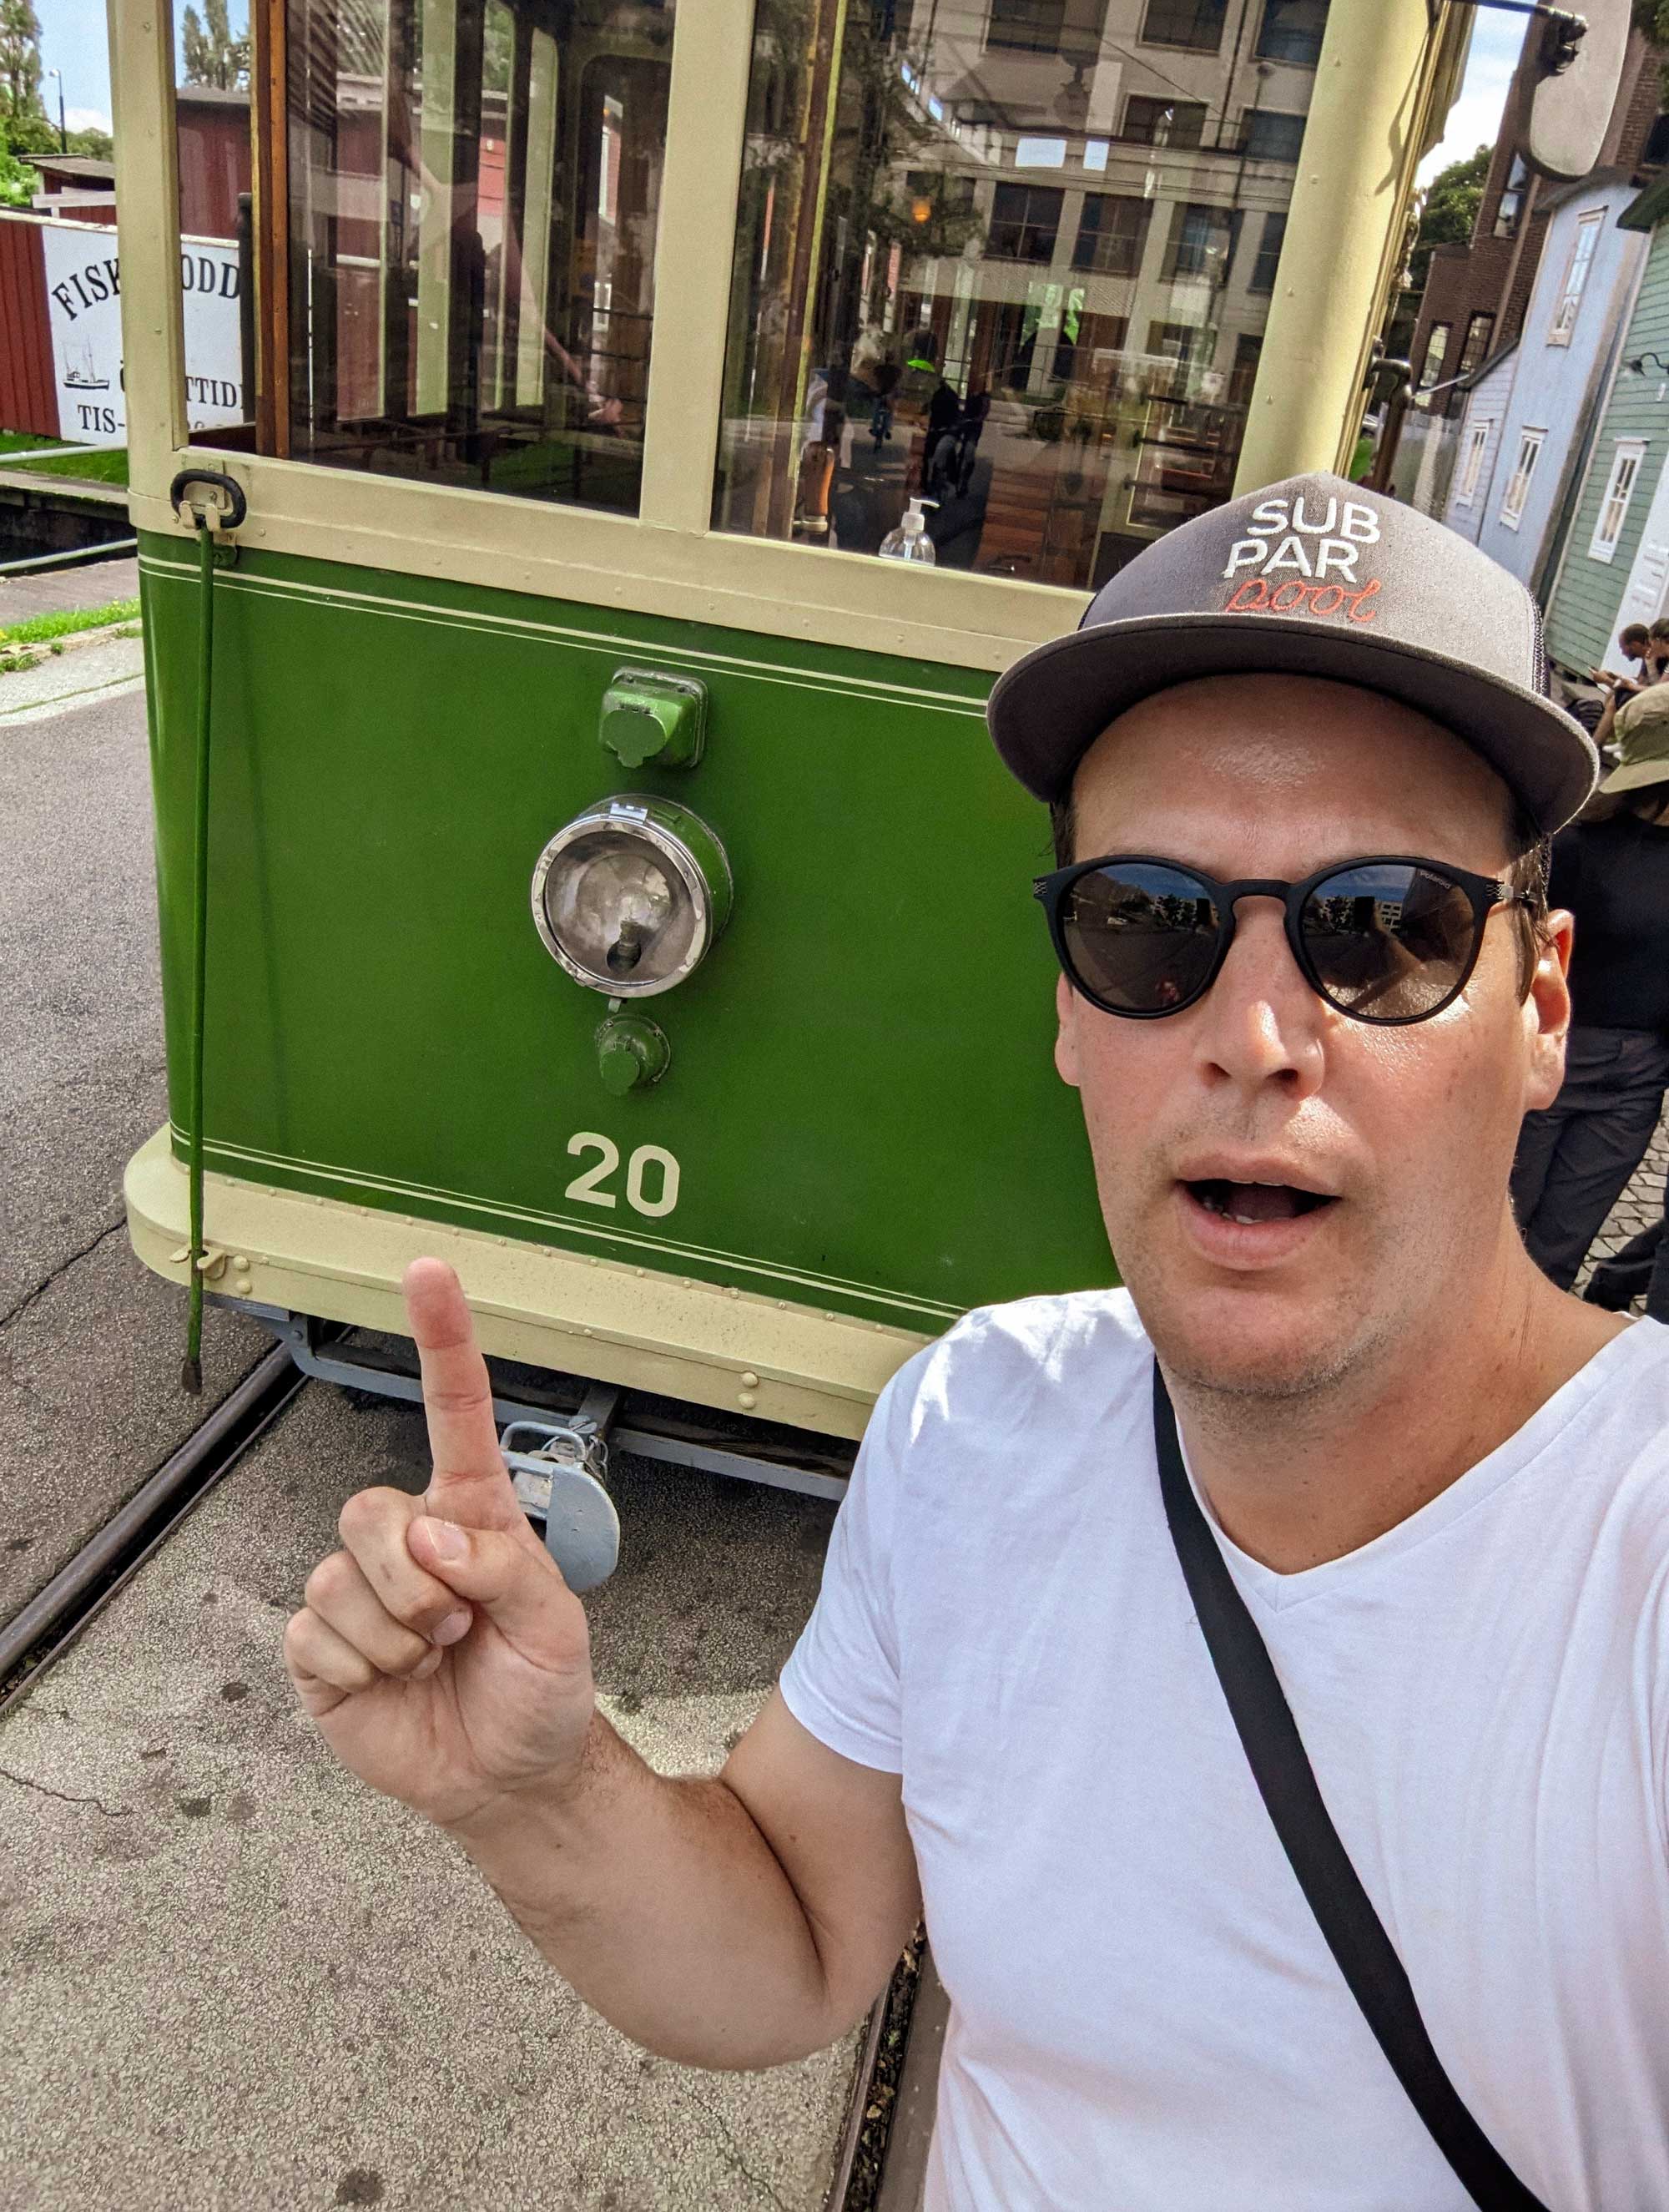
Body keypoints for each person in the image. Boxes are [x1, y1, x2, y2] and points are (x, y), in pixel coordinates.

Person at [285, 472, 1669, 2209]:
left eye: (1382, 930)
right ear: (1071, 1011)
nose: (1253, 1035)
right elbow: (788, 1933)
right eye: (1148, 922)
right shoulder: (976, 1424)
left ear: (1536, 1011)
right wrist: (540, 1788)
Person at [1510, 708, 1669, 1289]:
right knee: (1502, 1218)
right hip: (1556, 1052)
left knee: (1561, 1246)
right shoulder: (1580, 846)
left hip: (1638, 1080)